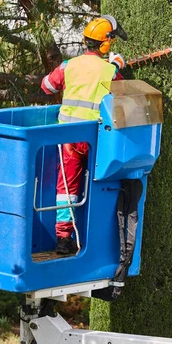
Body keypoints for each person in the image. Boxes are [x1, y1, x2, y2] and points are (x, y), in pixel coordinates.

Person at [41, 15, 127, 255]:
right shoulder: (109, 70)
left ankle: (63, 239)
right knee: (103, 182)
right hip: (96, 138)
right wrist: (117, 66)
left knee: (65, 188)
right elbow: (121, 90)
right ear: (105, 44)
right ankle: (99, 241)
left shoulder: (69, 66)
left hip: (68, 138)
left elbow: (46, 86)